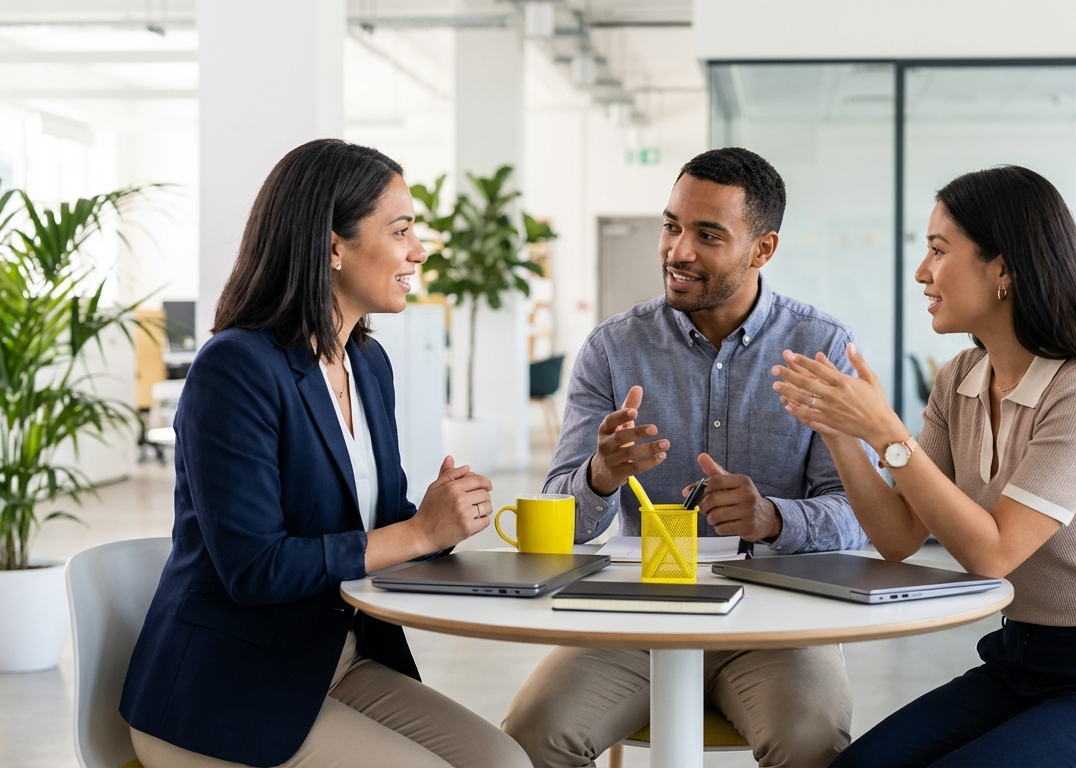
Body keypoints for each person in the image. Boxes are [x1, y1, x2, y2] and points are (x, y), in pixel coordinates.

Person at [119, 139, 532, 768]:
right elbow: (256, 568)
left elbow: (379, 521)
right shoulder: (235, 368)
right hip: (228, 689)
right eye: (400, 230)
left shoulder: (367, 364)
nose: (419, 251)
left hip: (334, 661)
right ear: (332, 246)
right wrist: (418, 533)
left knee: (504, 762)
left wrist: (440, 519)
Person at [771, 165, 1076, 767]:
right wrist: (842, 433)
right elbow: (897, 537)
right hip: (1019, 660)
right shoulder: (961, 379)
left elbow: (993, 555)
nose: (922, 271)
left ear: (1003, 269)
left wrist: (888, 432)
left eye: (939, 250)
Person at [502, 148, 870, 768]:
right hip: (637, 619)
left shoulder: (822, 348)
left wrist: (774, 519)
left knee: (812, 741)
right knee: (532, 735)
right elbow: (560, 523)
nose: (678, 251)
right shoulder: (612, 350)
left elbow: (859, 514)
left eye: (708, 235)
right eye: (672, 226)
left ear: (763, 249)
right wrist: (599, 476)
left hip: (776, 628)